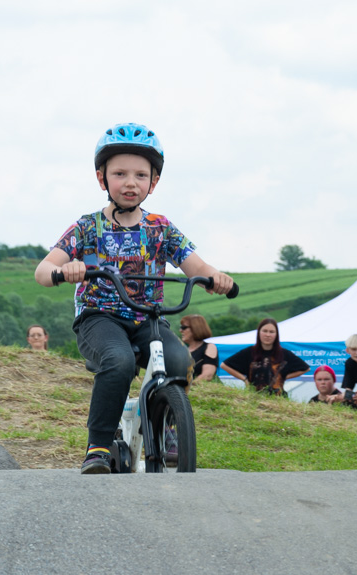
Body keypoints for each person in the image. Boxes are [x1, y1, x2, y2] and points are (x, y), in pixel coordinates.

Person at [34, 122, 234, 474]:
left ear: (153, 183)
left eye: (141, 175)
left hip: (148, 318)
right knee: (119, 360)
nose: (130, 182)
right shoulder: (87, 227)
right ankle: (98, 445)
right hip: (99, 317)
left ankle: (169, 428)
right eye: (120, 173)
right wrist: (66, 270)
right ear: (102, 179)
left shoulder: (161, 228)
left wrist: (215, 277)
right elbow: (43, 269)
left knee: (177, 359)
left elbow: (196, 266)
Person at [220, 318, 309, 396]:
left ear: (276, 335)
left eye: (271, 332)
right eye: (265, 331)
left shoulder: (284, 354)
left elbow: (305, 368)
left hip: (278, 399)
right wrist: (244, 379)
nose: (268, 335)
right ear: (259, 332)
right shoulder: (249, 352)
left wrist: (282, 376)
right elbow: (224, 365)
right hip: (253, 398)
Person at [328, 334, 357, 413]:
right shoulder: (350, 363)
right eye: (354, 349)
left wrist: (353, 396)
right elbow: (348, 389)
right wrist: (338, 397)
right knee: (343, 402)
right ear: (347, 350)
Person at [180, 314, 218, 382]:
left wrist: (187, 388)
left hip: (197, 390)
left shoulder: (209, 347)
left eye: (184, 327)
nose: (180, 330)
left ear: (195, 328)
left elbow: (207, 375)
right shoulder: (182, 350)